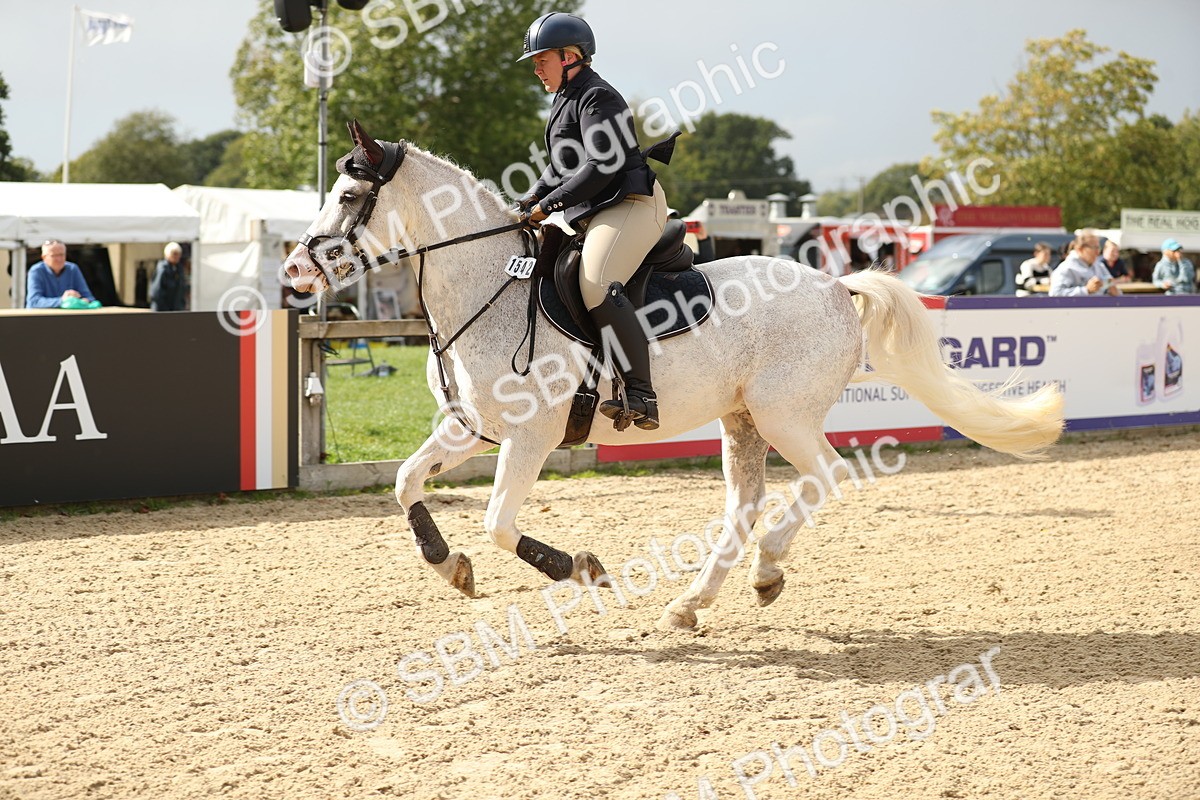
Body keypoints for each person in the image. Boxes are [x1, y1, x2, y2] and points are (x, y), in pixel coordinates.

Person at [516, 11, 676, 432]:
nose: (536, 69)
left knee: (596, 280)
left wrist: (550, 205)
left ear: (571, 56)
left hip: (633, 205)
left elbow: (601, 164)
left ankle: (641, 394)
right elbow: (563, 165)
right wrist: (532, 197)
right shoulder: (566, 99)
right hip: (600, 208)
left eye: (542, 59)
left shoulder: (597, 97)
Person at [25, 240, 96, 308]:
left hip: (68, 318)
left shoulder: (72, 269)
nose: (59, 259)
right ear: (44, 257)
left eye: (61, 255)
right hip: (42, 318)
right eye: (54, 256)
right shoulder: (36, 271)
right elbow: (34, 302)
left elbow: (89, 297)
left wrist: (83, 301)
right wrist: (63, 300)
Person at [1049, 232, 1120, 297]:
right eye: (1094, 248)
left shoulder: (1100, 266)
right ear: (1080, 249)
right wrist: (1086, 290)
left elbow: (1113, 290)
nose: (1097, 252)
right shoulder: (1066, 268)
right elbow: (1055, 294)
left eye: (1098, 248)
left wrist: (1114, 292)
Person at [150, 242, 188, 311]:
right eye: (174, 254)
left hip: (176, 309)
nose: (176, 257)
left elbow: (181, 289)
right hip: (164, 311)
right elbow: (156, 292)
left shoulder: (179, 269)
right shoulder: (162, 269)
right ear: (168, 255)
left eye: (178, 254)